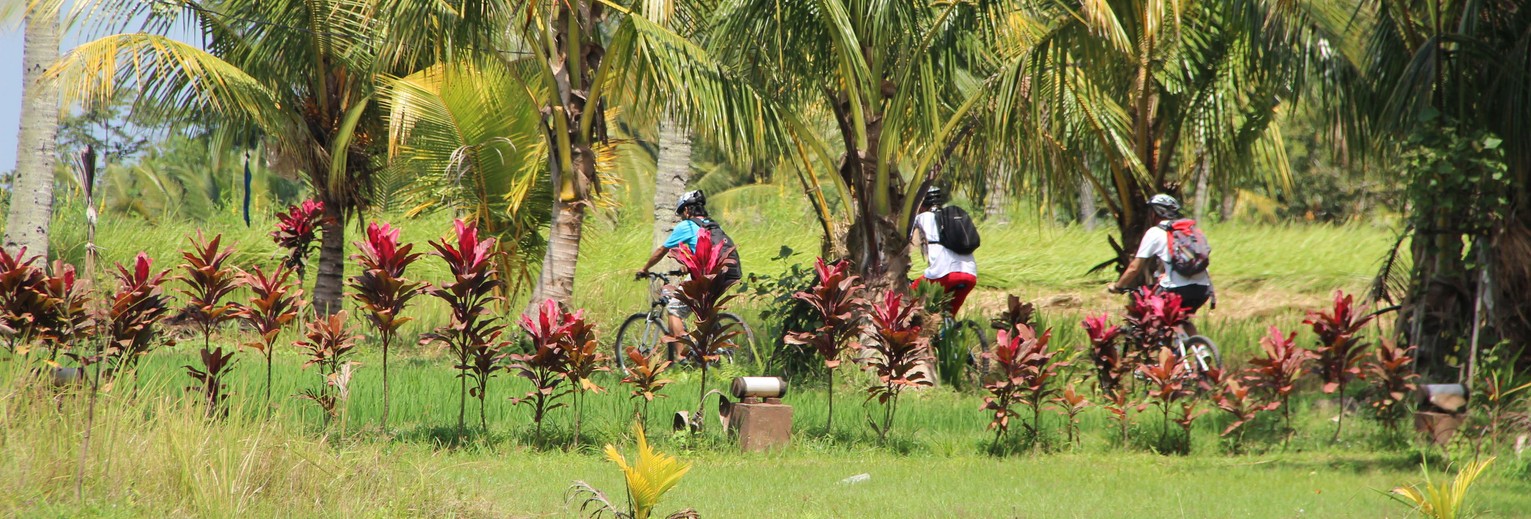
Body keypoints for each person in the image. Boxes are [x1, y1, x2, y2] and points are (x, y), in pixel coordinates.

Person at [635, 190, 738, 357]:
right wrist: (687, 265)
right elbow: (707, 251)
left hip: (705, 276)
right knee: (704, 312)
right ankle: (707, 346)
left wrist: (644, 269)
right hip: (725, 274)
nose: (682, 216)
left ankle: (682, 359)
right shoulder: (713, 225)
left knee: (674, 309)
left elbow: (662, 250)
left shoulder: (687, 225)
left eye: (682, 212)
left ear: (688, 210)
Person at [1108, 193, 1214, 332]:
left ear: (1155, 213)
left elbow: (1134, 267)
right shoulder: (1189, 230)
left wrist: (1118, 286)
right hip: (1203, 288)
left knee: (1157, 323)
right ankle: (1200, 349)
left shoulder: (1155, 232)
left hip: (1177, 290)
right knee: (1182, 320)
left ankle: (1166, 350)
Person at [910, 186, 979, 316]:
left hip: (943, 274)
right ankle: (950, 333)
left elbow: (904, 241)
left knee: (910, 297)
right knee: (948, 316)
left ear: (920, 203)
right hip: (970, 274)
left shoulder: (921, 217)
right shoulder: (951, 217)